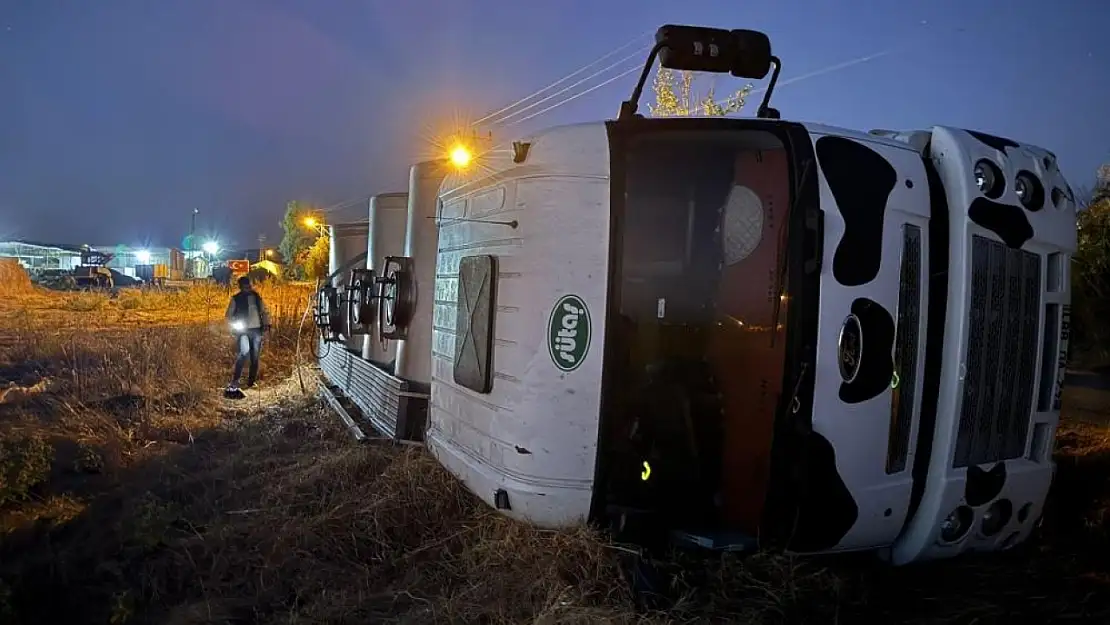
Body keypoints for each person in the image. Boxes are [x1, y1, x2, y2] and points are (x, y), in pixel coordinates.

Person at [225, 276, 271, 392]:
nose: (248, 288)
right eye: (246, 286)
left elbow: (264, 311)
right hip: (244, 331)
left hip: (256, 330)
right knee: (243, 353)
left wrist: (266, 324)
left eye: (249, 285)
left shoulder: (256, 297)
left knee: (255, 357)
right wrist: (235, 326)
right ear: (241, 287)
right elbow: (229, 315)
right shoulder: (236, 299)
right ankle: (235, 380)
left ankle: (251, 382)